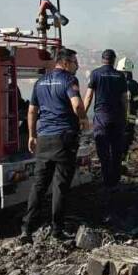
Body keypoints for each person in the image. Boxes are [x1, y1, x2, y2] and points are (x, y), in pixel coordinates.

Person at [21, 47, 87, 243]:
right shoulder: (69, 80)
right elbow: (77, 104)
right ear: (65, 63)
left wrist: (32, 136)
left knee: (39, 186)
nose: (77, 65)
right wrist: (83, 120)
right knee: (60, 185)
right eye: (75, 62)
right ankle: (57, 230)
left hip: (44, 139)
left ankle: (27, 229)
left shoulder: (40, 83)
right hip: (64, 138)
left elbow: (32, 111)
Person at [83, 48, 129, 191]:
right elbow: (124, 99)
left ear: (102, 59)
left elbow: (89, 96)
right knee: (116, 150)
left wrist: (81, 115)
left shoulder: (95, 74)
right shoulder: (120, 76)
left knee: (103, 149)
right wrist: (126, 116)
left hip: (101, 116)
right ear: (114, 60)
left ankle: (107, 180)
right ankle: (115, 180)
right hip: (117, 117)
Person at [117, 56, 138, 169]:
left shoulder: (115, 82)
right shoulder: (134, 85)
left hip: (116, 119)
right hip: (130, 120)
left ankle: (113, 165)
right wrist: (133, 110)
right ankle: (123, 166)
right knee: (126, 143)